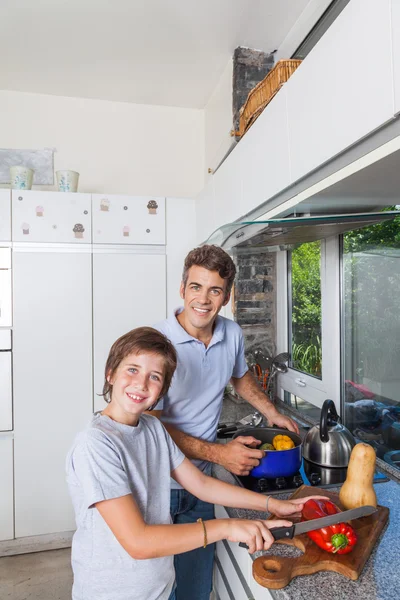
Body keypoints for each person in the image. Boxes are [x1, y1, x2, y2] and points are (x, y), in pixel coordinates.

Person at [66, 327, 324, 600]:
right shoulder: (96, 444)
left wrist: (275, 505)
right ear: (110, 373)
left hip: (159, 587)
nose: (141, 384)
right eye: (132, 370)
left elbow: (200, 484)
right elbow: (138, 542)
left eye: (154, 377)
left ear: (162, 390)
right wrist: (227, 527)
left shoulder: (153, 428)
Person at [154, 244, 300, 599]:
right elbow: (151, 426)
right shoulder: (157, 344)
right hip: (158, 487)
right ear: (182, 288)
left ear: (227, 296)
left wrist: (272, 412)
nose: (203, 299)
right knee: (156, 588)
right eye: (196, 287)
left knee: (194, 589)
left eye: (214, 290)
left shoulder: (231, 333)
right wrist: (220, 454)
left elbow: (240, 377)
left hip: (201, 485)